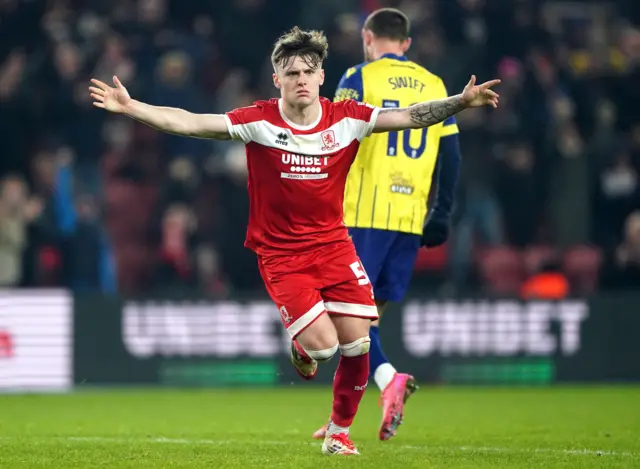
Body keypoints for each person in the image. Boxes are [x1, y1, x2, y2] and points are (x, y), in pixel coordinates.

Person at [88, 26, 499, 456]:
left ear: (322, 77)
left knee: (359, 341)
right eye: (291, 73)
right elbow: (192, 123)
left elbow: (412, 116)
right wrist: (132, 107)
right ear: (276, 80)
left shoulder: (349, 118)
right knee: (323, 349)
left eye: (309, 71)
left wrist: (460, 103)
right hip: (282, 255)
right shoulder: (259, 121)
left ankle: (339, 433)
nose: (301, 79)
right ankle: (303, 344)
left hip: (335, 246)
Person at [313, 8, 464, 441]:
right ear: (408, 43)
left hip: (363, 214)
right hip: (410, 218)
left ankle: (389, 381)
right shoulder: (435, 85)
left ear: (367, 37)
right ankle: (343, 417)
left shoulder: (358, 76)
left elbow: (332, 134)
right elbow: (451, 154)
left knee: (346, 319)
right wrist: (442, 211)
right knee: (367, 321)